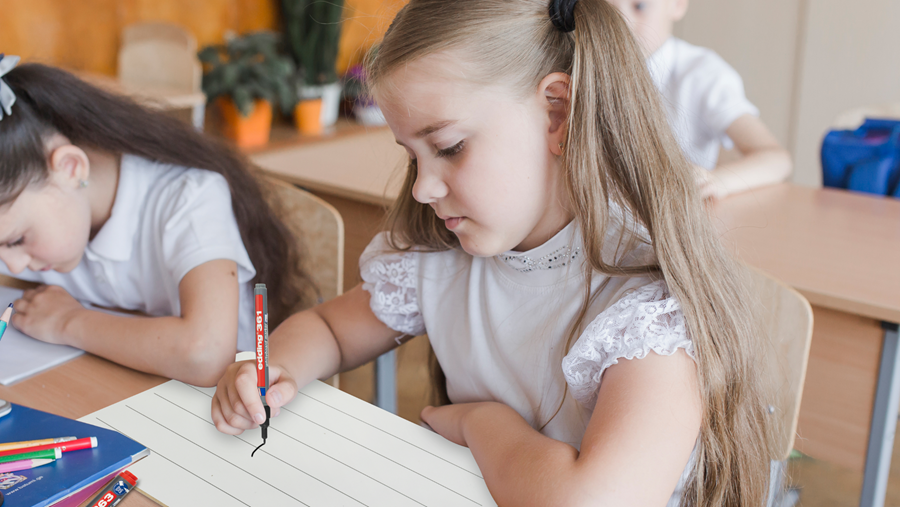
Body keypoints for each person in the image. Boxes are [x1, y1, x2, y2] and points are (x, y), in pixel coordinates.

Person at [211, 1, 774, 505]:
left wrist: (480, 424)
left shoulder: (648, 311)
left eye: (449, 147)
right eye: (412, 156)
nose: (422, 188)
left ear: (557, 113)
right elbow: (333, 331)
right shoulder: (442, 257)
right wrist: (276, 366)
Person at [0, 56, 313, 386]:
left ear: (70, 168)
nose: (13, 265)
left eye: (17, 240)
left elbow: (206, 352)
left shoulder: (187, 197)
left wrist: (68, 321)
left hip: (222, 402)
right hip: (111, 387)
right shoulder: (34, 213)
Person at [607, 0, 792, 198]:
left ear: (677, 4)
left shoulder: (703, 75)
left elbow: (777, 160)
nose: (621, 24)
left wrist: (717, 181)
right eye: (605, 11)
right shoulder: (587, 67)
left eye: (640, 7)